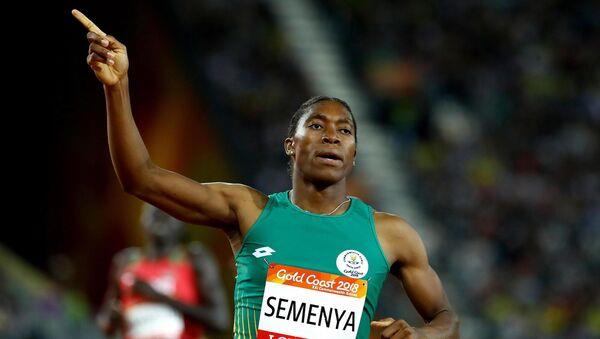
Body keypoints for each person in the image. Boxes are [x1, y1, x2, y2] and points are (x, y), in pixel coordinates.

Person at [73, 9, 459, 339]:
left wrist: (421, 334)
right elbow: (140, 177)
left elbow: (447, 319)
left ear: (354, 153)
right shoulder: (248, 210)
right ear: (291, 144)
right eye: (318, 126)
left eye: (345, 131)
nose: (332, 136)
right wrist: (118, 87)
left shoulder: (391, 234)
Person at [97, 204, 229, 339]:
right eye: (153, 209)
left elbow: (219, 321)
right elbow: (105, 322)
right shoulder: (125, 262)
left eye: (168, 211)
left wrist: (157, 297)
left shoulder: (194, 259)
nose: (160, 214)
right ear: (141, 219)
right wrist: (112, 318)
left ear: (183, 223)